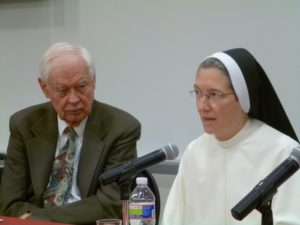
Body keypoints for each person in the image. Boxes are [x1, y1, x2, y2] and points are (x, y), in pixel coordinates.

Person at [0, 42, 141, 225]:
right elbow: (9, 202)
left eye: (81, 86)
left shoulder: (121, 128)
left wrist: (40, 219)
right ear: (45, 88)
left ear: (94, 81)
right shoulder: (24, 124)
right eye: (62, 90)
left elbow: (110, 205)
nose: (74, 99)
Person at [161, 48, 300, 225]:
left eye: (214, 95)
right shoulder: (195, 152)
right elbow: (172, 220)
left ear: (242, 98)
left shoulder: (283, 152)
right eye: (197, 93)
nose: (202, 106)